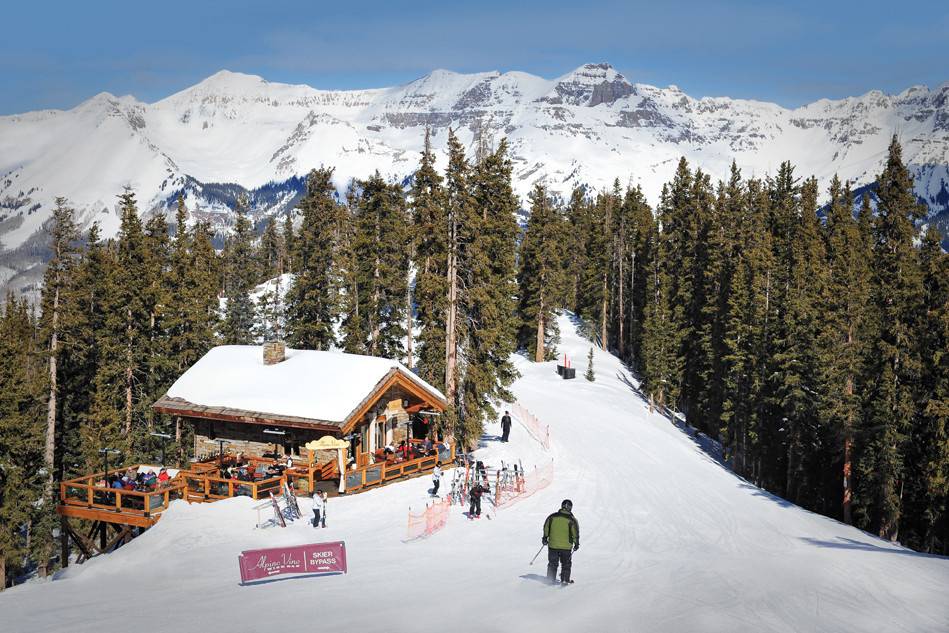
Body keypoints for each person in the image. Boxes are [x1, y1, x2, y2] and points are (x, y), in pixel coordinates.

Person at [542, 499, 579, 585]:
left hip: (553, 545)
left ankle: (550, 579)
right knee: (566, 564)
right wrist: (576, 543)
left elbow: (546, 527)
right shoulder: (572, 519)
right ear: (570, 508)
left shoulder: (552, 517)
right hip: (566, 547)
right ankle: (565, 579)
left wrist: (545, 538)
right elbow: (575, 532)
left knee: (552, 563)